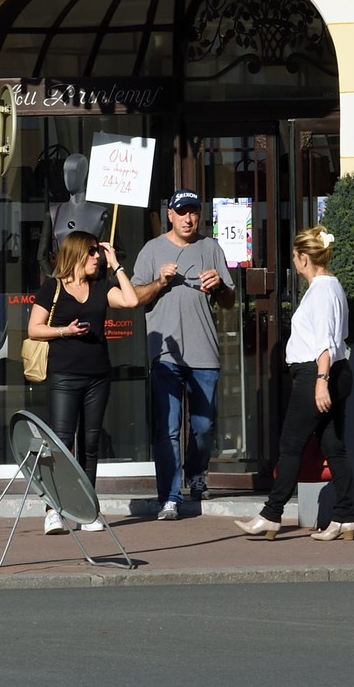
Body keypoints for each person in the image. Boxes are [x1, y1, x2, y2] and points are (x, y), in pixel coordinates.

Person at [236, 224, 354, 544]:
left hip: (317, 374)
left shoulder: (319, 291)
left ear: (305, 258)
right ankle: (345, 517)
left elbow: (323, 343)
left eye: (294, 255)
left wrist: (321, 382)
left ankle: (271, 514)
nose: (293, 261)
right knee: (334, 448)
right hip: (337, 371)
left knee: (290, 446)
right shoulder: (334, 286)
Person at [129, 187, 235, 518]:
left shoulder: (210, 248)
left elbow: (230, 301)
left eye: (193, 212)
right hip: (165, 355)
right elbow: (134, 296)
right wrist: (160, 282)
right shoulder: (151, 250)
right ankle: (170, 497)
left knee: (203, 426)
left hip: (204, 352)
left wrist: (219, 284)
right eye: (182, 212)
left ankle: (196, 472)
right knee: (169, 427)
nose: (189, 218)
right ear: (170, 216)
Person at [27, 230, 139, 533]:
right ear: (76, 253)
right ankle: (54, 509)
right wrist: (65, 331)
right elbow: (34, 329)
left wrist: (116, 264)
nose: (97, 257)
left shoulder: (101, 286)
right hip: (64, 375)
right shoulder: (52, 288)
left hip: (98, 376)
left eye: (98, 252)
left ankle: (88, 510)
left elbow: (131, 300)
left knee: (91, 444)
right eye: (92, 252)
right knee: (62, 443)